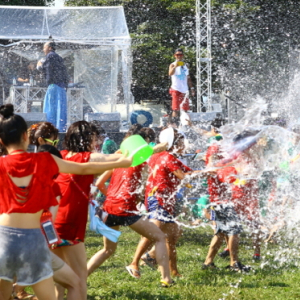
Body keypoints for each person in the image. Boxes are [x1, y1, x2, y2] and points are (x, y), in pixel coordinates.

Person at [0, 104, 131, 300]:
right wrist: (121, 162)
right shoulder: (45, 161)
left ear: (1, 141)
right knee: (75, 283)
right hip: (32, 241)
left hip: (3, 240)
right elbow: (84, 168)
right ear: (26, 136)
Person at [52, 121, 131, 299]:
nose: (96, 142)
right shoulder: (86, 158)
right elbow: (113, 160)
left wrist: (116, 155)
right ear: (87, 138)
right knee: (79, 278)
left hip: (51, 222)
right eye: (94, 138)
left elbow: (107, 158)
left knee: (60, 279)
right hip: (69, 224)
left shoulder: (61, 155)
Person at [87, 126, 173, 287]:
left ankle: (80, 278)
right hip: (124, 208)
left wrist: (112, 196)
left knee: (107, 250)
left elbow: (99, 183)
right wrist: (162, 144)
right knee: (160, 237)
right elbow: (153, 152)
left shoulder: (117, 162)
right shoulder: (138, 161)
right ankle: (166, 279)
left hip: (109, 207)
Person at [37, 41, 69, 132]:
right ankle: (61, 129)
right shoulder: (59, 57)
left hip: (54, 86)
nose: (43, 49)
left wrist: (39, 66)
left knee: (51, 109)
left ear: (50, 48)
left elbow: (47, 69)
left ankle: (51, 129)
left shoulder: (50, 56)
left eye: (44, 47)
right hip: (61, 87)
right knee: (60, 109)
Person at [169, 48, 195, 119]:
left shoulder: (185, 65)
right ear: (175, 55)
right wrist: (175, 67)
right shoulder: (172, 64)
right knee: (175, 109)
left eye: (180, 55)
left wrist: (192, 88)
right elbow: (170, 73)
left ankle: (185, 124)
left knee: (185, 109)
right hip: (176, 89)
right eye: (177, 55)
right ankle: (175, 125)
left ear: (183, 55)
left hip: (185, 90)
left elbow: (188, 77)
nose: (179, 56)